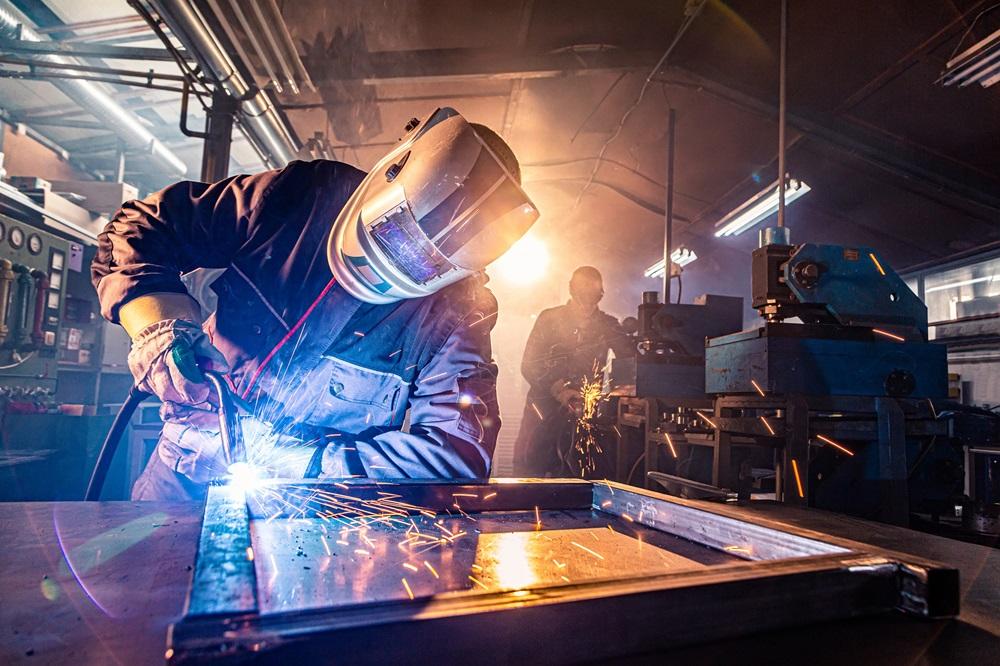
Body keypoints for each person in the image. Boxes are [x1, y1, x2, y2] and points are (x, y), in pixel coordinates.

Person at [92, 108, 539, 500]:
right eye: (396, 234)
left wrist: (298, 462)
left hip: (309, 506)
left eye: (425, 265)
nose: (394, 265)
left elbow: (455, 459)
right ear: (392, 179)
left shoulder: (457, 312)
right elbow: (142, 228)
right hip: (184, 466)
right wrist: (160, 330)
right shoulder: (299, 198)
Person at [513, 266, 625, 477]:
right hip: (543, 412)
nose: (587, 301)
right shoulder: (549, 319)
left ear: (601, 295)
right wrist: (559, 389)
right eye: (583, 291)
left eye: (592, 293)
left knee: (584, 473)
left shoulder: (608, 326)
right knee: (530, 471)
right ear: (571, 290)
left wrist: (628, 393)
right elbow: (529, 363)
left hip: (586, 412)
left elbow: (631, 359)